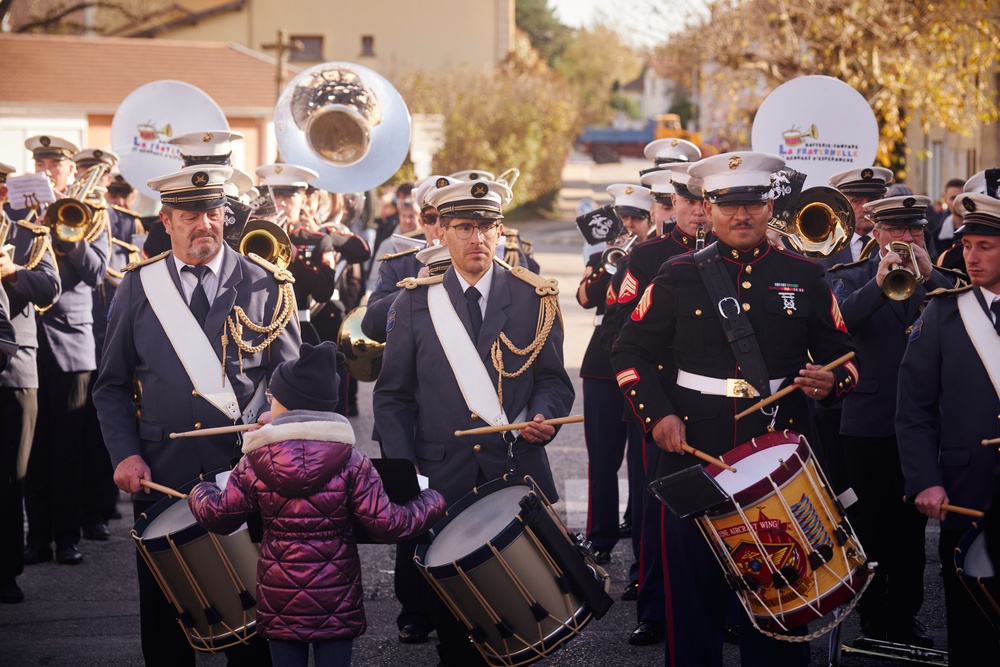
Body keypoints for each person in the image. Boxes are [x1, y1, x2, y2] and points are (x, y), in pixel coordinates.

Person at [611, 151, 858, 666]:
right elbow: (628, 353)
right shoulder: (676, 274)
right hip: (693, 453)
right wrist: (657, 417)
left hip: (779, 450)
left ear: (770, 207)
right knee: (694, 598)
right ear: (708, 207)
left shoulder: (806, 275)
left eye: (752, 204)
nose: (740, 216)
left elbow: (845, 357)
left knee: (782, 595)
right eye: (728, 205)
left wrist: (830, 381)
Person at [93, 164, 301, 666]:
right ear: (166, 219)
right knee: (166, 625)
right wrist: (125, 455)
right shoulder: (138, 287)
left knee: (255, 627)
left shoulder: (267, 284)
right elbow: (112, 387)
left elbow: (296, 382)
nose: (204, 224)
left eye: (212, 213)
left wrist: (282, 417)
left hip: (248, 475)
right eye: (190, 215)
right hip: (164, 474)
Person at [373, 178, 575, 666]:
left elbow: (554, 381)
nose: (476, 238)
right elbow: (393, 397)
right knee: (454, 624)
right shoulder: (414, 302)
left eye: (486, 226)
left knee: (523, 613)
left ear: (501, 231)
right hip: (444, 478)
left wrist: (545, 416)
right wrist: (406, 475)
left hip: (515, 468)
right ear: (441, 232)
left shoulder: (534, 298)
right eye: (464, 227)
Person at [188, 341, 446, 667]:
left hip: (280, 598)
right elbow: (387, 523)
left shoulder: (254, 461)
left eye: (272, 398)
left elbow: (221, 517)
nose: (269, 405)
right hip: (336, 598)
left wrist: (201, 491)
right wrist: (431, 500)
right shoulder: (353, 461)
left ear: (289, 403)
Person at [828, 194, 955, 648]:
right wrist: (879, 286)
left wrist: (932, 275)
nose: (906, 239)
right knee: (867, 524)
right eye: (897, 231)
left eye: (915, 231)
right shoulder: (848, 278)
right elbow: (838, 327)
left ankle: (905, 617)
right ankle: (871, 615)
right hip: (867, 422)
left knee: (912, 530)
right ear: (877, 233)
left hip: (924, 424)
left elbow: (964, 318)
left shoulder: (942, 283)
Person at [605, 163, 711, 646]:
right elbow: (624, 327)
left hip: (714, 404)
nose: (698, 211)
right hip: (660, 402)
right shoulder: (647, 257)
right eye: (688, 202)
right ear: (674, 205)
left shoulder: (737, 257)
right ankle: (654, 608)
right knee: (656, 513)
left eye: (706, 202)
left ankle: (726, 608)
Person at [896, 191, 1000, 666]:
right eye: (968, 245)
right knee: (970, 617)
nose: (971, 257)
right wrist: (925, 480)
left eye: (986, 246)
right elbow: (913, 409)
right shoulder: (943, 312)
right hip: (966, 486)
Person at [13, 135, 111, 567]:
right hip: (28, 339)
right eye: (41, 162)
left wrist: (67, 232)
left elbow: (96, 273)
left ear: (72, 171)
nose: (48, 169)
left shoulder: (93, 214)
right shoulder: (16, 211)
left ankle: (68, 536)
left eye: (56, 164)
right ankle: (38, 537)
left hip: (72, 340)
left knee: (69, 445)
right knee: (34, 447)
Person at [578, 183, 655, 574]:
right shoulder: (603, 253)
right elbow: (585, 298)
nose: (628, 225)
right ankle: (600, 535)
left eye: (636, 219)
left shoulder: (658, 255)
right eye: (623, 218)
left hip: (643, 366)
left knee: (642, 462)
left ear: (651, 219)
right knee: (602, 457)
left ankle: (640, 537)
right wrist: (611, 264)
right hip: (602, 365)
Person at [0, 161, 61, 603]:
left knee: (9, 478)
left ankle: (5, 572)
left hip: (13, 368)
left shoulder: (29, 234)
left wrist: (11, 273)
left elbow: (50, 288)